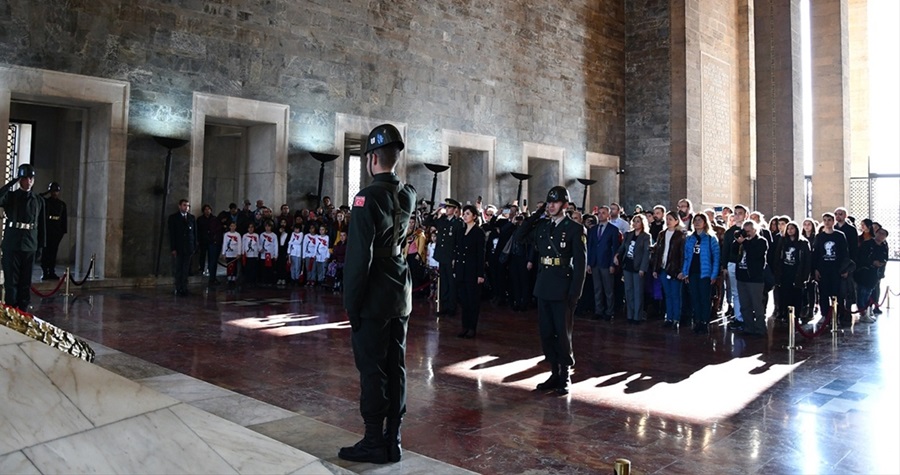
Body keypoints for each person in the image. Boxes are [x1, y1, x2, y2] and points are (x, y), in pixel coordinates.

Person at [340, 123, 416, 464]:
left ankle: (374, 440)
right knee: (395, 366)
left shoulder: (366, 197)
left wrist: (351, 303)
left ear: (372, 159)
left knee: (373, 369)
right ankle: (393, 438)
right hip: (399, 293)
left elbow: (359, 257)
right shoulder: (408, 194)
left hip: (372, 297)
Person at [513, 186, 586, 395]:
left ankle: (565, 375)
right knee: (546, 333)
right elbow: (520, 235)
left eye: (555, 203)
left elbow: (580, 264)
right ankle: (554, 372)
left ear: (564, 205)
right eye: (549, 203)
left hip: (563, 288)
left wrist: (575, 293)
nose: (551, 206)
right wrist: (537, 213)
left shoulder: (574, 229)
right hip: (544, 285)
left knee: (563, 334)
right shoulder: (543, 227)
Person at [0, 164, 46, 310]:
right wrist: (11, 183)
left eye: (31, 178)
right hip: (12, 244)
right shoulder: (11, 197)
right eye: (25, 178)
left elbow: (42, 226)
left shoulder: (39, 201)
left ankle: (23, 312)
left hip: (30, 244)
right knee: (11, 282)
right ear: (20, 179)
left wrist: (40, 246)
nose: (29, 181)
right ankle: (11, 312)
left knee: (25, 283)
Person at [679, 213, 720, 334]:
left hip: (705, 273)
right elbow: (687, 257)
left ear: (705, 222)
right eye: (695, 220)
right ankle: (697, 321)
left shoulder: (711, 238)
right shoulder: (690, 238)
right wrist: (685, 272)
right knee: (695, 298)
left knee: (704, 298)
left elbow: (716, 257)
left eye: (700, 220)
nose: (697, 222)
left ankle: (704, 322)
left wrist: (713, 274)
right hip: (692, 272)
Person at [454, 204, 486, 338]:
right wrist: (456, 269)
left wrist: (480, 274)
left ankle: (472, 327)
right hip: (461, 270)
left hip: (472, 271)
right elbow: (458, 252)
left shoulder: (479, 232)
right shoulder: (461, 231)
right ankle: (464, 326)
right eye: (464, 213)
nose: (465, 216)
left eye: (468, 214)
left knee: (473, 300)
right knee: (464, 300)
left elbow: (481, 254)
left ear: (474, 216)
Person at [615, 214, 652, 325]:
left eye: (638, 221)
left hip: (638, 267)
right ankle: (630, 315)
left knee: (638, 292)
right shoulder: (628, 235)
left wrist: (643, 268)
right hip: (628, 265)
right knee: (629, 291)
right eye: (634, 221)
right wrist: (617, 255)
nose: (636, 223)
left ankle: (637, 316)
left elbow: (646, 254)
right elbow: (622, 248)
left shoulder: (646, 236)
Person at [587, 205, 623, 321]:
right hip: (595, 262)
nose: (600, 215)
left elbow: (615, 248)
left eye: (603, 213)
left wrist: (613, 264)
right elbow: (590, 246)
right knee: (597, 288)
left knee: (608, 289)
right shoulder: (593, 229)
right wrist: (589, 263)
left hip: (606, 262)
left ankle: (609, 311)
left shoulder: (613, 229)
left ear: (608, 215)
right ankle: (598, 310)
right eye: (599, 213)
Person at [734, 219, 769, 336]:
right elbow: (733, 252)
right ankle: (748, 327)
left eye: (749, 231)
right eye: (745, 231)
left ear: (755, 230)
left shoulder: (761, 241)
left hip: (755, 279)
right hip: (742, 277)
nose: (747, 234)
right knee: (744, 305)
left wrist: (744, 242)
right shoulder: (741, 242)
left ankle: (760, 329)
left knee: (757, 305)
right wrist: (737, 241)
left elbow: (755, 254)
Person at [652, 211, 686, 327]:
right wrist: (656, 268)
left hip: (675, 269)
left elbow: (682, 254)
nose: (668, 221)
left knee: (675, 294)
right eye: (667, 219)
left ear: (676, 221)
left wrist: (681, 270)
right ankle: (669, 317)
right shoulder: (662, 234)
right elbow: (658, 252)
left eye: (671, 219)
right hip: (663, 268)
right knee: (667, 294)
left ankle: (676, 318)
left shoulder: (680, 235)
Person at [773, 221, 811, 322]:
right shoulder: (782, 241)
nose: (790, 230)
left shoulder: (803, 243)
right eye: (788, 228)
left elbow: (807, 260)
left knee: (797, 295)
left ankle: (797, 315)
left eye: (792, 228)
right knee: (784, 294)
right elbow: (777, 256)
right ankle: (784, 313)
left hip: (797, 272)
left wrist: (805, 276)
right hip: (785, 272)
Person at [431, 198, 463, 315]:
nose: (447, 209)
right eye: (446, 207)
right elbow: (427, 222)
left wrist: (456, 257)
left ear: (455, 209)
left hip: (451, 257)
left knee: (451, 282)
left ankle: (451, 308)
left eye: (449, 207)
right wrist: (435, 212)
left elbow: (459, 242)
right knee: (443, 282)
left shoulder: (458, 223)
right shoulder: (442, 220)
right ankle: (444, 307)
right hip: (442, 256)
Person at [855, 227, 889, 323]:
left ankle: (865, 311)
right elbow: (861, 257)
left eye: (883, 234)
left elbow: (885, 258)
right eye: (880, 233)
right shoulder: (867, 244)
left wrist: (881, 270)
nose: (881, 236)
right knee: (862, 292)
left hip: (875, 274)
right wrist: (872, 262)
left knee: (869, 292)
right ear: (876, 233)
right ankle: (862, 312)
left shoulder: (884, 246)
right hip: (864, 272)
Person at [168, 199, 197, 296]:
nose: (186, 207)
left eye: (188, 206)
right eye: (184, 205)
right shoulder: (173, 218)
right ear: (179, 206)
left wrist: (194, 246)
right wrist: (173, 248)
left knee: (186, 268)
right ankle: (178, 287)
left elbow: (194, 233)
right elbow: (172, 234)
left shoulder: (191, 218)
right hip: (179, 247)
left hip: (189, 247)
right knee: (178, 268)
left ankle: (184, 287)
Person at [39, 181, 66, 281]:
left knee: (53, 252)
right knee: (46, 252)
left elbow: (64, 220)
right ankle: (45, 272)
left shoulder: (62, 204)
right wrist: (47, 191)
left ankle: (52, 271)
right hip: (48, 229)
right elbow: (39, 196)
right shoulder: (46, 202)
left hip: (56, 230)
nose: (55, 193)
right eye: (53, 190)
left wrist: (62, 232)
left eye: (56, 191)